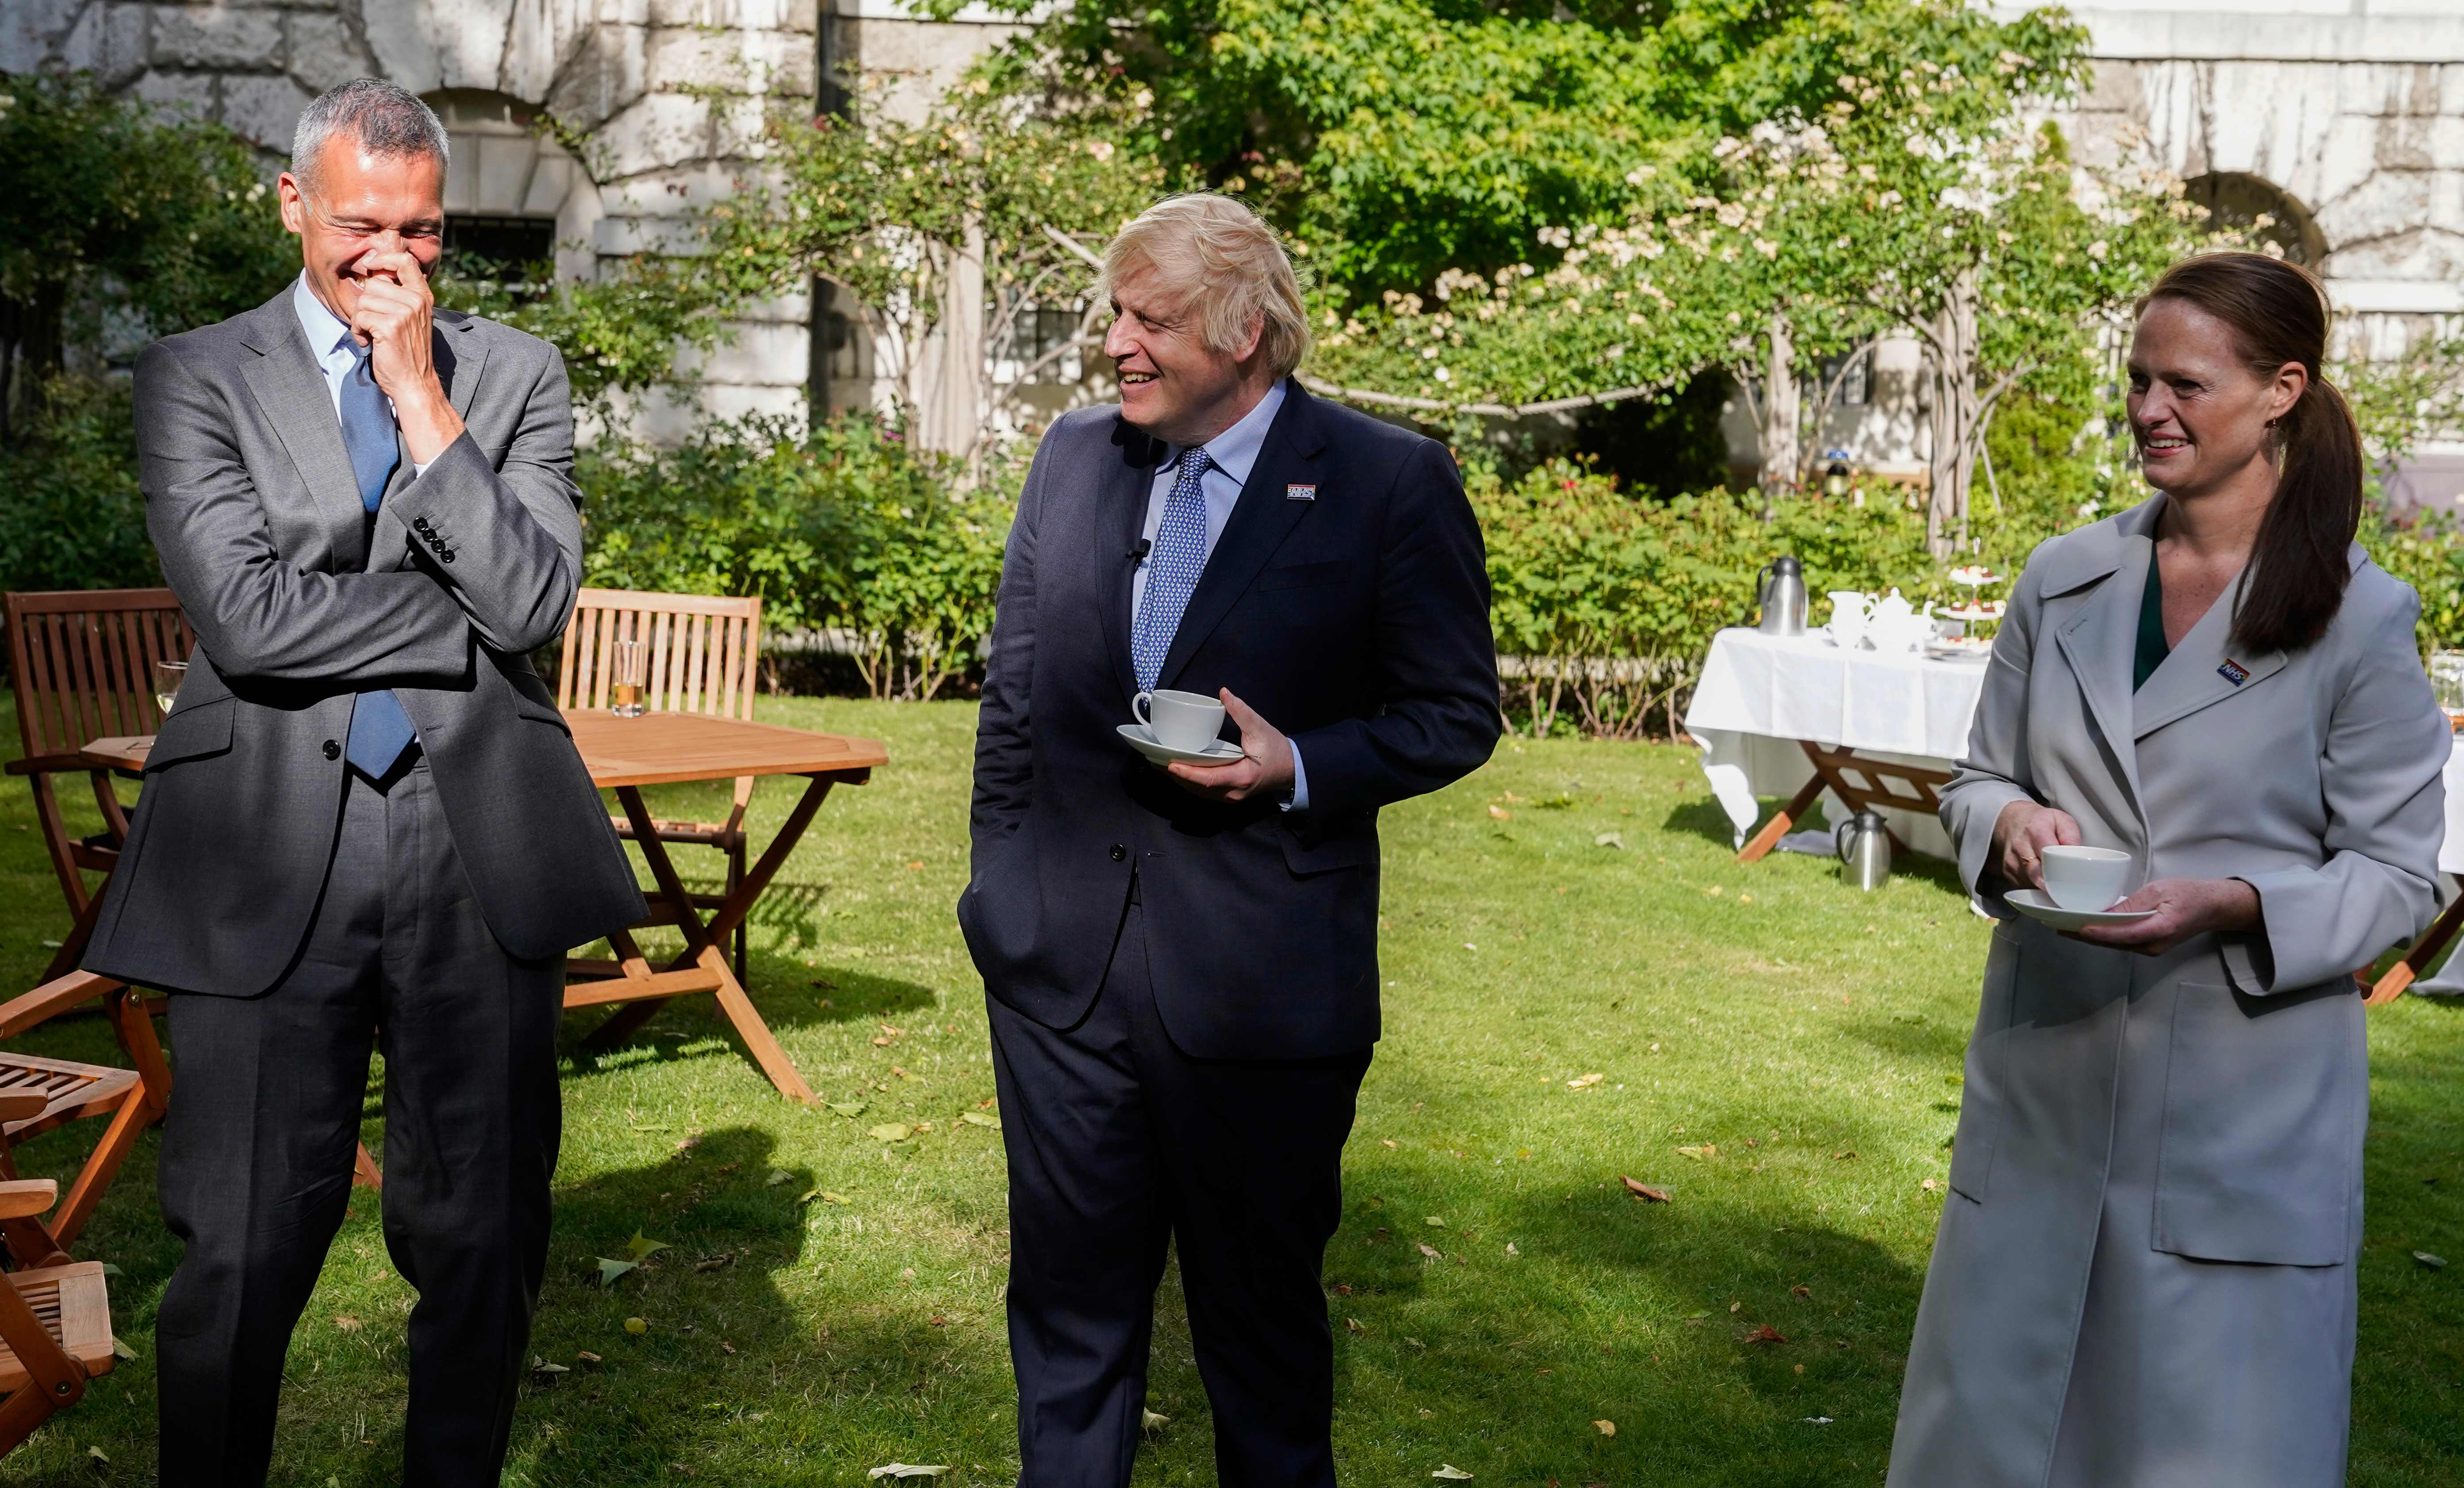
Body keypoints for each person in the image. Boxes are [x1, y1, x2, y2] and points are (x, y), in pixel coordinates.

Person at [80, 80, 645, 1486]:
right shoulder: (196, 376)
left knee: (482, 1242)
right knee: (245, 1247)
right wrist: (464, 613)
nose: (390, 257)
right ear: (292, 205)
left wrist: (420, 396)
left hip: (480, 851)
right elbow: (250, 621)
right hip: (260, 853)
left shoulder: (514, 377)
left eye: (423, 229)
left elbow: (534, 599)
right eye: (357, 225)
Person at [958, 192, 1499, 1485]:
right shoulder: (1073, 458)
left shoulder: (1386, 480)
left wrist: (1298, 763)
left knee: (1259, 1347)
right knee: (1069, 1331)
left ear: (1246, 329)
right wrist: (1004, 899)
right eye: (1114, 313)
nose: (1115, 345)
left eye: (1150, 319)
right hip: (1060, 976)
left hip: (1265, 990)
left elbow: (1453, 714)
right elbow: (1018, 693)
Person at [1890, 251, 2447, 1486]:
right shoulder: (2063, 577)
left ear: (2281, 392)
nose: (2150, 409)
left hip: (2241, 1110)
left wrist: (2241, 903)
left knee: (2206, 1446)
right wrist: (2010, 823)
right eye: (2139, 379)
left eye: (2186, 384)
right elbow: (1974, 780)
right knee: (1996, 1433)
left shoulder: (2360, 619)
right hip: (2048, 1068)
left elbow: (2400, 874)